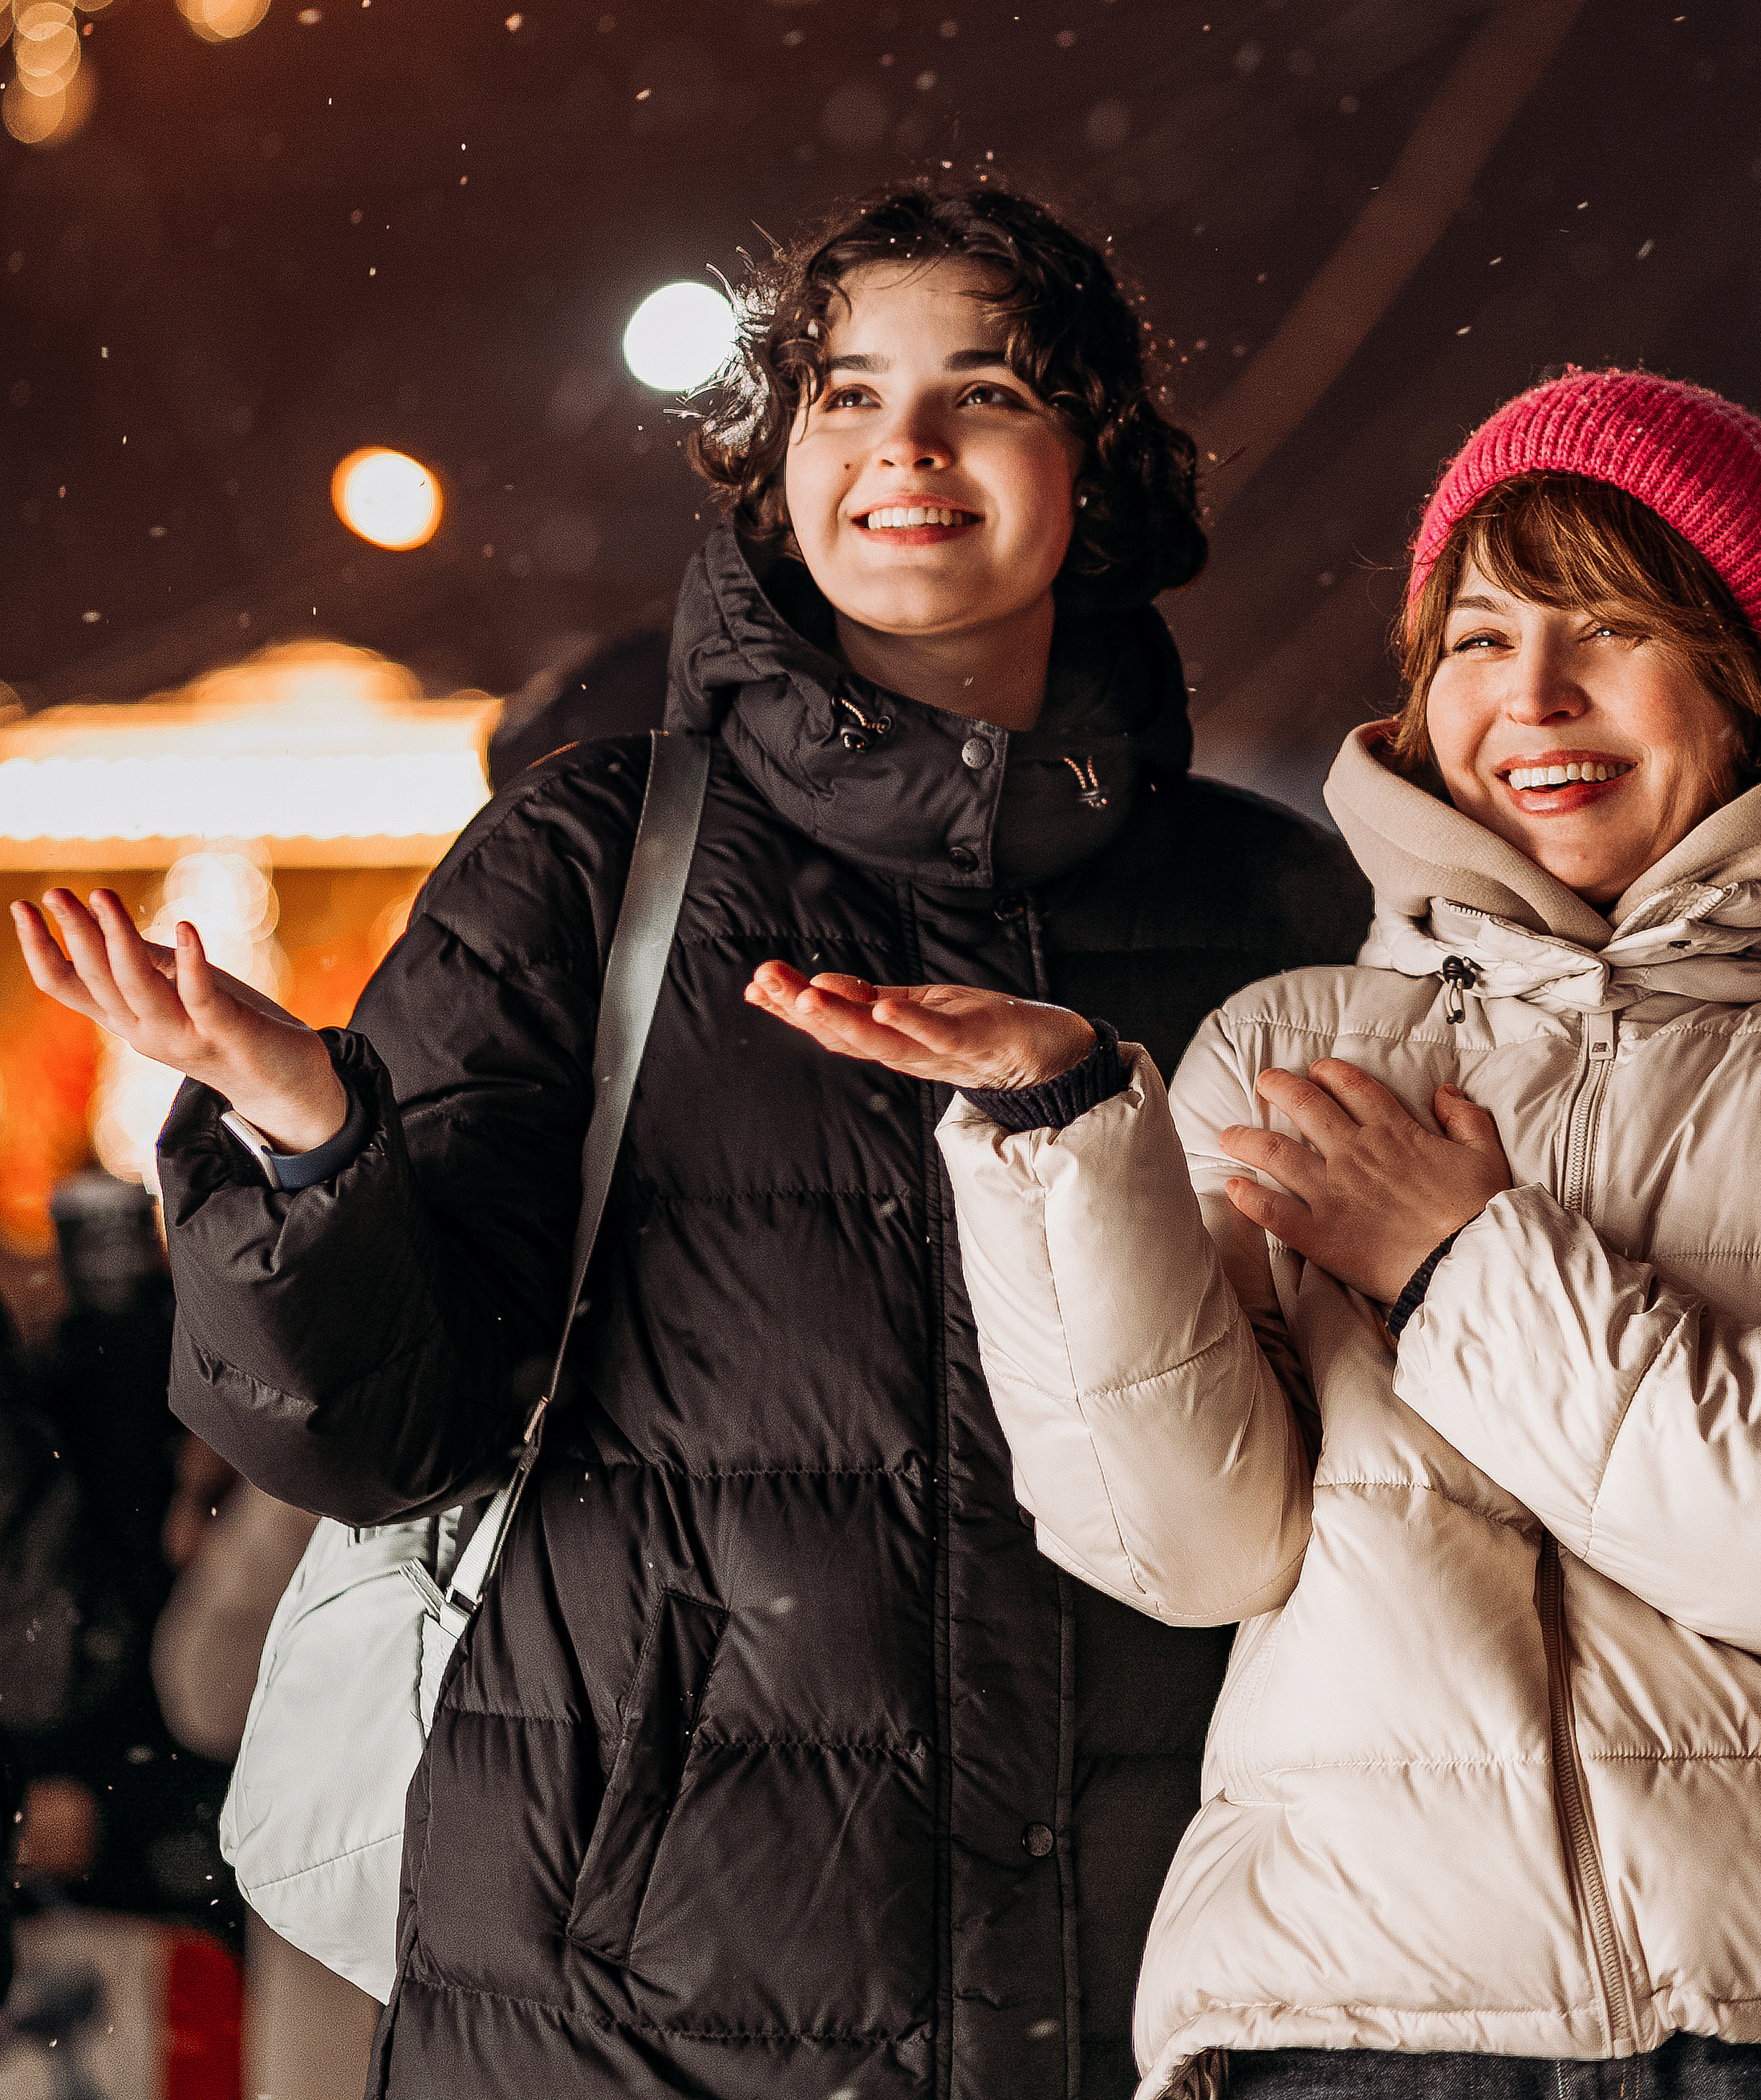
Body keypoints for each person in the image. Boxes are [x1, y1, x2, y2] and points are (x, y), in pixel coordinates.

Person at [9, 185, 1377, 2100]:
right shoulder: (596, 863)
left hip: (1159, 1973)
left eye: (979, 391)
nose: (901, 451)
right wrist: (309, 1135)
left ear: (1096, 463)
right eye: (842, 396)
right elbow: (379, 1430)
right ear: (774, 460)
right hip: (632, 1996)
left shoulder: (1282, 903)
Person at [751, 368, 1761, 2100]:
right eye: (1474, 637)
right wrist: (1056, 1137)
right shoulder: (1292, 1052)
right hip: (1361, 2018)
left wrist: (1459, 1263)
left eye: (1607, 627)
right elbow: (1189, 1549)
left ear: (1745, 679)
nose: (1529, 696)